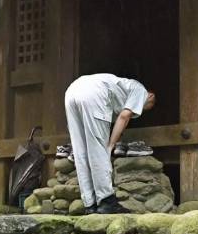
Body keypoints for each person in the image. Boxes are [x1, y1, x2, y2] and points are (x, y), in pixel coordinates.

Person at [63, 74, 155, 214]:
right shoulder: (141, 91)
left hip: (72, 90)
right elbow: (124, 116)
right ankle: (106, 201)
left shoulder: (122, 88)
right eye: (145, 109)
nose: (140, 111)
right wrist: (111, 145)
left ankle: (90, 204)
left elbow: (120, 120)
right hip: (94, 92)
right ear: (151, 97)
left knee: (81, 150)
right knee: (98, 149)